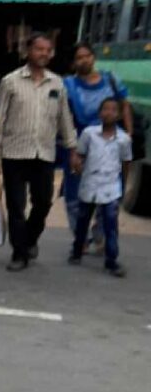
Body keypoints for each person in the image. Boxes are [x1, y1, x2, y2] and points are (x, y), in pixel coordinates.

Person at [0, 32, 77, 271]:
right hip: (14, 152)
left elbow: (64, 118)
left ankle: (29, 239)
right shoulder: (11, 81)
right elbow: (0, 118)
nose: (44, 54)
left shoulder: (57, 83)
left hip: (44, 153)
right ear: (28, 51)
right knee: (16, 205)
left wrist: (72, 149)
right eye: (39, 49)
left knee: (43, 203)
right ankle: (19, 253)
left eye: (48, 50)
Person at [61, 41, 132, 250]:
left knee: (110, 190)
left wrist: (128, 134)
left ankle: (100, 234)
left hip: (111, 143)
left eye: (87, 56)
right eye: (79, 57)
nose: (84, 60)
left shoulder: (111, 79)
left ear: (94, 57)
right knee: (75, 194)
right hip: (81, 144)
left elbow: (125, 105)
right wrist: (71, 148)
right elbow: (63, 116)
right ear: (74, 63)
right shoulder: (68, 85)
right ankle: (80, 237)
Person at [68, 97, 131, 278]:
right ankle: (77, 250)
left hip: (111, 187)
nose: (108, 113)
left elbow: (126, 162)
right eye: (105, 109)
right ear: (99, 113)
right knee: (82, 221)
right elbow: (80, 155)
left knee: (111, 225)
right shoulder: (89, 134)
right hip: (89, 184)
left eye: (113, 110)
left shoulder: (123, 140)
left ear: (118, 115)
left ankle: (111, 260)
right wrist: (77, 166)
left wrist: (123, 185)